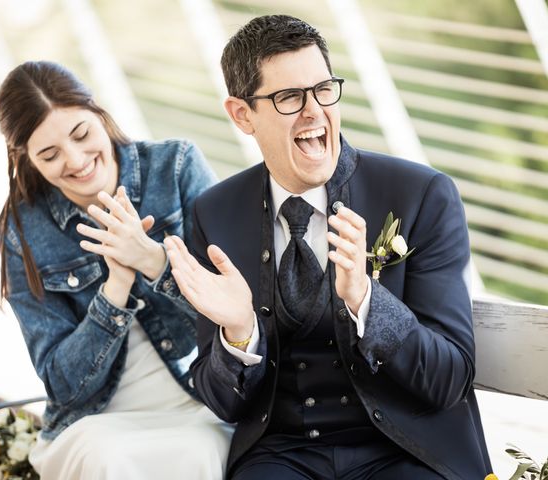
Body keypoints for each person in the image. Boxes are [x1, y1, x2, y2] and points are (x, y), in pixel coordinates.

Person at [164, 14, 493, 480]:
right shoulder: (215, 214)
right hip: (282, 456)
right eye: (289, 97)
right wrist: (238, 333)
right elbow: (223, 402)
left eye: (323, 89)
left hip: (409, 452)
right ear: (242, 115)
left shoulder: (421, 196)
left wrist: (365, 298)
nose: (314, 110)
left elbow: (448, 380)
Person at [0, 60, 231, 479]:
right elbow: (64, 385)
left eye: (82, 134)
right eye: (49, 155)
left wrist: (152, 261)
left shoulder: (176, 167)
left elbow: (239, 312)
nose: (77, 161)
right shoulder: (22, 232)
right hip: (95, 415)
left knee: (200, 450)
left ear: (98, 114)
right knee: (107, 458)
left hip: (196, 393)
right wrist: (115, 289)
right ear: (26, 158)